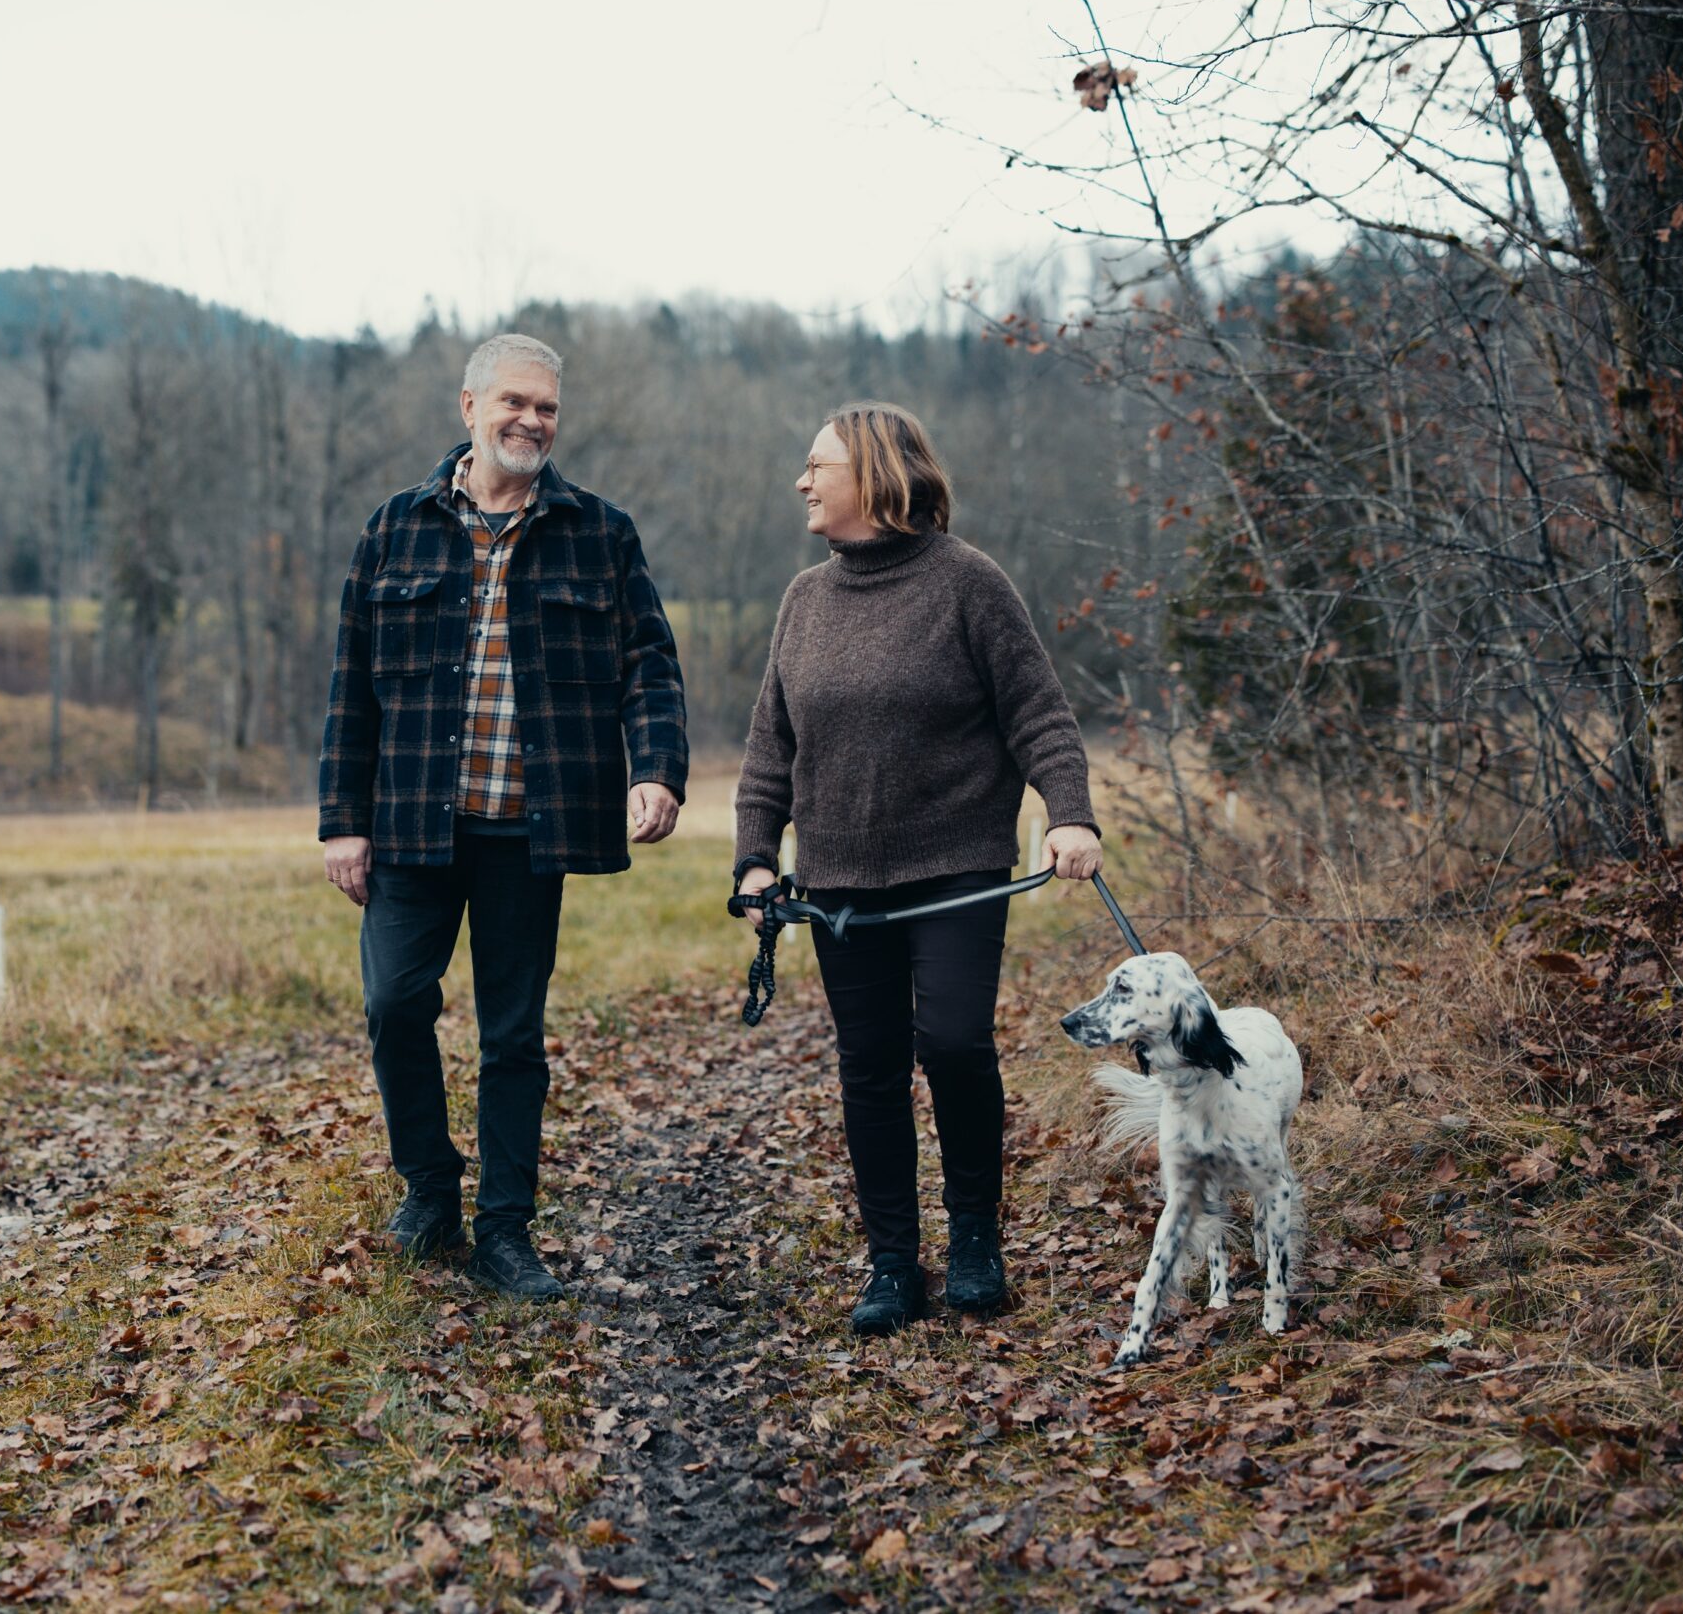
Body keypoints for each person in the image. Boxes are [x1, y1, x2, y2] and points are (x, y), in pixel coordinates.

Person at [319, 332, 689, 1300]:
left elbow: (649, 664)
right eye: (514, 402)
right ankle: (429, 1190)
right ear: (470, 407)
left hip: (530, 828)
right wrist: (341, 820)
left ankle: (505, 1229)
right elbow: (351, 685)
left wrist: (656, 769)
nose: (530, 421)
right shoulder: (394, 528)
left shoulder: (598, 533)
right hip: (409, 824)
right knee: (393, 1004)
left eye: (547, 408)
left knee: (513, 1035)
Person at [734, 401, 1102, 1335]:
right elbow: (771, 749)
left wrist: (1070, 816)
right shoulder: (804, 601)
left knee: (953, 1043)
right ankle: (893, 1261)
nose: (802, 482)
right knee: (870, 1067)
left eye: (817, 466)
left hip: (956, 865)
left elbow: (1039, 714)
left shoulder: (967, 582)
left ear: (873, 475)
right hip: (839, 881)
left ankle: (975, 1238)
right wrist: (754, 862)